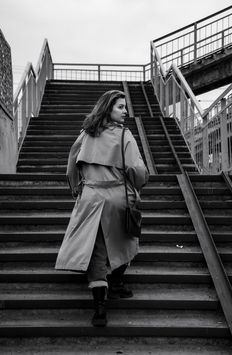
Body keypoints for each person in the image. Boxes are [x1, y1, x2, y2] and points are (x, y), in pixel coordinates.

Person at [55, 90, 149, 327]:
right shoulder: (125, 135)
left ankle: (99, 309)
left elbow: (71, 166)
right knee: (125, 240)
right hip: (117, 196)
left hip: (90, 197)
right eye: (120, 107)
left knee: (98, 251)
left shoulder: (85, 134)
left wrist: (77, 188)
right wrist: (138, 185)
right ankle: (117, 283)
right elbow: (137, 171)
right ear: (108, 108)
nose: (125, 111)